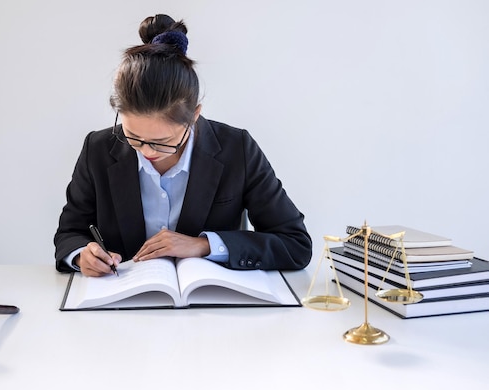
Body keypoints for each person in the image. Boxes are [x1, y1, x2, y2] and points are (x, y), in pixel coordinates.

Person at [54, 14, 312, 277]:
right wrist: (81, 255)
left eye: (162, 142)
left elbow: (295, 244)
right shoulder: (97, 149)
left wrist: (203, 245)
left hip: (213, 306)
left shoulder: (238, 149)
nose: (147, 152)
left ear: (194, 116)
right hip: (121, 304)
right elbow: (69, 233)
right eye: (133, 136)